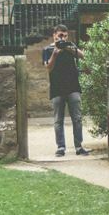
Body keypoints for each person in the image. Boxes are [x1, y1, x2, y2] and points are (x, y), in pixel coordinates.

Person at [41, 26, 87, 157]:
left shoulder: (70, 46)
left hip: (73, 86)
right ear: (54, 35)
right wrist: (55, 54)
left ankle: (79, 146)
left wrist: (69, 48)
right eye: (60, 35)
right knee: (58, 120)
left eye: (65, 36)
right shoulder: (47, 50)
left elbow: (82, 56)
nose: (63, 38)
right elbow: (48, 68)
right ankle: (60, 147)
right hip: (57, 88)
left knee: (77, 118)